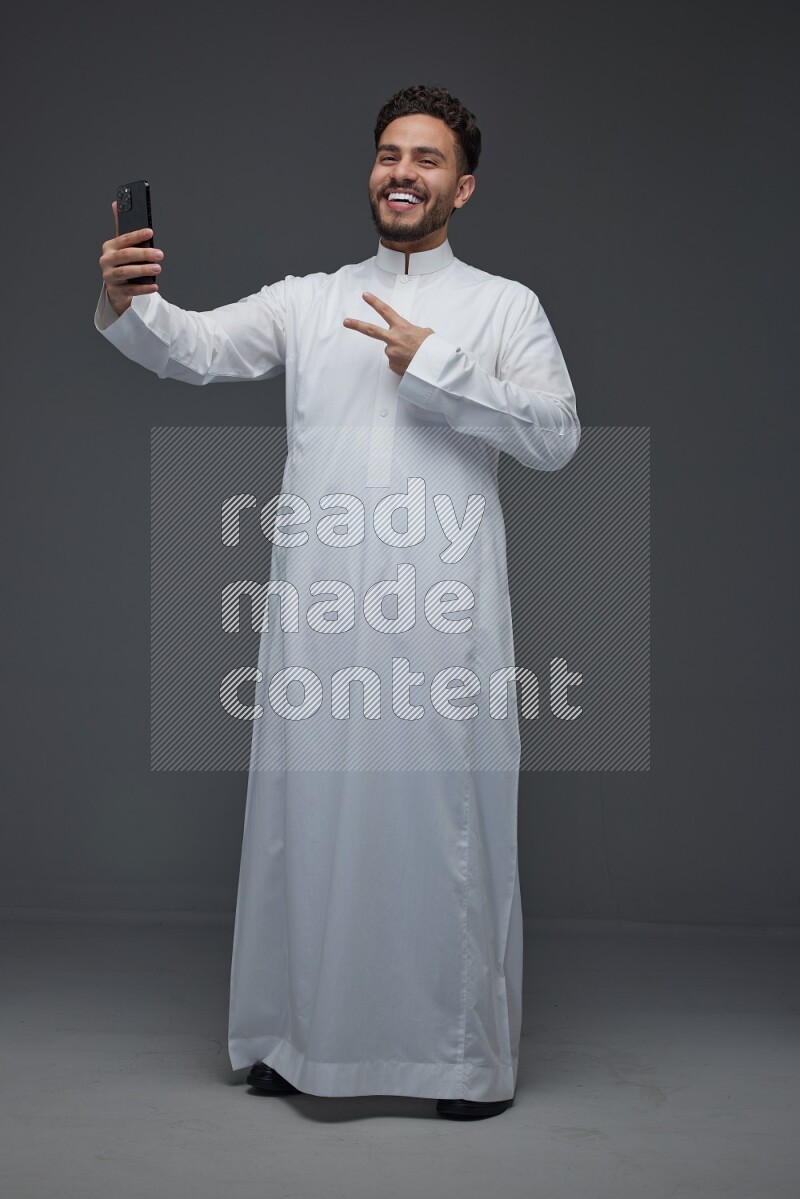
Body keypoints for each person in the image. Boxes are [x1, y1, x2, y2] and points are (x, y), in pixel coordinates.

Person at [95, 84, 580, 1120]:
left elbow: (554, 434)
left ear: (464, 184)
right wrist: (130, 298)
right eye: (388, 154)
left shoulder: (504, 307)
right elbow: (193, 347)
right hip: (320, 619)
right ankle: (290, 1037)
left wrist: (436, 364)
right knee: (304, 822)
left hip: (440, 620)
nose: (402, 172)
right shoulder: (309, 301)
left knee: (444, 829)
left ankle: (458, 1059)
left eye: (427, 158)